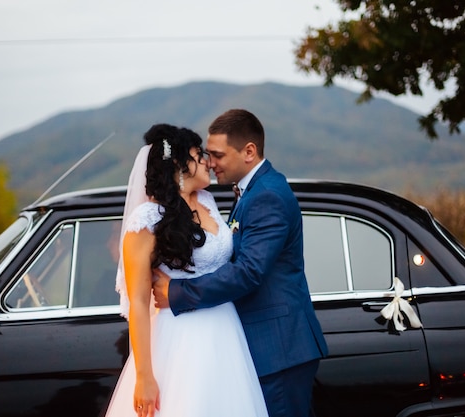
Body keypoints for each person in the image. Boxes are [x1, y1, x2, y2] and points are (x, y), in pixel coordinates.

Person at [153, 109, 328, 417]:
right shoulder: (250, 191)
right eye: (206, 154)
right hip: (263, 345)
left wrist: (178, 292)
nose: (210, 162)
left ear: (249, 151)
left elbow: (249, 272)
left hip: (278, 348)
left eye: (218, 155)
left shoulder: (267, 196)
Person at [105, 123, 268, 417]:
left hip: (226, 332)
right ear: (180, 164)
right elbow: (139, 302)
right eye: (198, 154)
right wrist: (144, 376)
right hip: (180, 339)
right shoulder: (148, 220)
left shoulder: (207, 201)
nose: (207, 161)